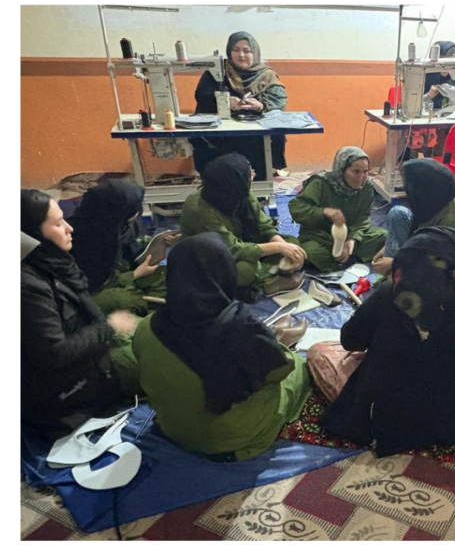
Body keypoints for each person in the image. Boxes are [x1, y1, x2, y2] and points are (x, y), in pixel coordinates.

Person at [133, 234, 312, 461]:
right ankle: (279, 342)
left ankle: (273, 342)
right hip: (231, 439)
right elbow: (279, 372)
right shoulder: (240, 326)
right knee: (298, 368)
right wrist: (277, 350)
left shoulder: (147, 327)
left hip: (173, 430)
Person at [323, 228, 455, 457]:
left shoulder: (389, 293)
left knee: (321, 352)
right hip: (448, 414)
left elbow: (351, 341)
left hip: (390, 418)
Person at [20, 189, 140, 435]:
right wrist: (108, 328)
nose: (69, 228)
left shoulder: (49, 261)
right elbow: (53, 354)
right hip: (63, 396)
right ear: (32, 234)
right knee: (151, 358)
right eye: (57, 224)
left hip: (85, 359)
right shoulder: (29, 286)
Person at [180, 153, 305, 298]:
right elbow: (230, 249)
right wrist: (278, 248)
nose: (253, 173)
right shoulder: (200, 209)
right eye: (248, 172)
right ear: (231, 181)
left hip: (243, 243)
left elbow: (263, 225)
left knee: (292, 243)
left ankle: (268, 276)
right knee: (246, 269)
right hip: (210, 258)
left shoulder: (239, 192)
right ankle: (266, 280)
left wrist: (283, 245)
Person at [70, 179, 175, 315]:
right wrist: (135, 274)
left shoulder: (118, 223)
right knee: (129, 300)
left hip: (123, 271)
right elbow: (93, 281)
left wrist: (158, 242)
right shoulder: (83, 238)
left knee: (165, 276)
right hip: (93, 290)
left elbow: (133, 243)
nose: (136, 214)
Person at [193, 31, 289, 175]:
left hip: (255, 133)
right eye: (236, 50)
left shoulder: (266, 74)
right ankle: (216, 181)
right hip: (222, 132)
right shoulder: (216, 71)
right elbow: (202, 96)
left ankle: (261, 181)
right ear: (229, 51)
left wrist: (260, 105)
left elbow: (279, 99)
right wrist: (224, 102)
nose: (241, 55)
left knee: (268, 140)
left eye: (247, 51)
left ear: (255, 53)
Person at [289, 147, 386, 272]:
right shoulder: (321, 183)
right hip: (319, 235)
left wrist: (351, 240)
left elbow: (363, 217)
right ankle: (346, 258)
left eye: (365, 171)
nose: (361, 177)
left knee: (383, 236)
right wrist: (323, 212)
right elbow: (296, 208)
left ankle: (344, 254)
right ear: (342, 170)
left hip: (349, 232)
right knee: (310, 252)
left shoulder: (366, 187)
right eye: (356, 171)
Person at [372, 160, 455, 276]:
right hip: (425, 244)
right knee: (397, 214)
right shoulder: (435, 198)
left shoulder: (451, 221)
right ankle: (392, 274)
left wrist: (395, 262)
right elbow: (418, 226)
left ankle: (396, 277)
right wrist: (388, 245)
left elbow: (438, 264)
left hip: (438, 270)